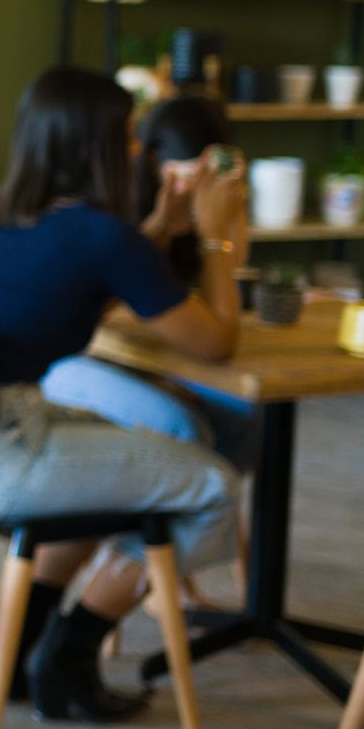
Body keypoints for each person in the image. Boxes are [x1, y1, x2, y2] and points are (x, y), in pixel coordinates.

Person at [0, 67, 246, 724]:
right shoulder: (101, 235)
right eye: (128, 136)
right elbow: (217, 342)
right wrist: (217, 232)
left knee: (114, 474)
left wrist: (163, 225)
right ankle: (68, 653)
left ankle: (25, 655)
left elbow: (96, 275)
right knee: (213, 487)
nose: (138, 150)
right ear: (95, 148)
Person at [41, 94, 261, 473]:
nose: (193, 192)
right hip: (87, 358)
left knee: (241, 414)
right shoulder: (112, 205)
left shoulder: (206, 207)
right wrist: (171, 228)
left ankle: (197, 517)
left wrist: (227, 219)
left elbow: (226, 287)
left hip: (155, 352)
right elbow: (105, 305)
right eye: (185, 178)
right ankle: (178, 518)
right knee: (192, 424)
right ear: (154, 163)